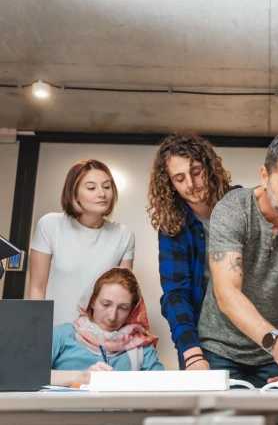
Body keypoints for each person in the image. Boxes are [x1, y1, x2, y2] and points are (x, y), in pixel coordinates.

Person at [198, 133, 278, 387]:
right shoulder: (232, 209)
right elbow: (227, 293)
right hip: (222, 349)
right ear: (264, 176)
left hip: (276, 354)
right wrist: (275, 341)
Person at [148, 133, 237, 370]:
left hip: (250, 335)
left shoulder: (240, 204)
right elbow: (176, 294)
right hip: (203, 340)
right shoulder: (173, 228)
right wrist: (191, 352)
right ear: (170, 184)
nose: (191, 184)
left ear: (209, 168)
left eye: (196, 172)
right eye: (179, 178)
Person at [30, 160, 135, 325]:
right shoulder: (50, 225)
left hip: (98, 337)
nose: (102, 194)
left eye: (107, 187)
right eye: (91, 188)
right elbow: (37, 288)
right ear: (75, 194)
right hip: (53, 331)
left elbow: (122, 294)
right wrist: (37, 332)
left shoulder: (124, 235)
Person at [51, 267, 163, 386]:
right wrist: (79, 378)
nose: (112, 316)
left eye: (123, 308)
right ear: (92, 301)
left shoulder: (142, 348)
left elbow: (163, 392)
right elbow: (30, 375)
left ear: (132, 311)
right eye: (106, 304)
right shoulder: (61, 336)